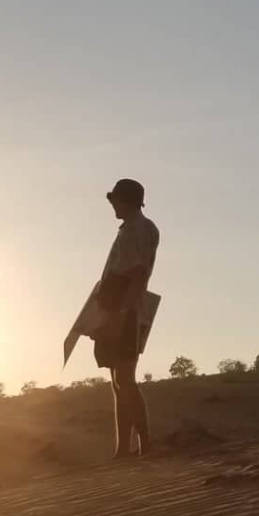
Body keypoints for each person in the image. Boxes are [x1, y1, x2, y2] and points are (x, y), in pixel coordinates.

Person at [93, 178, 160, 457]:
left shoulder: (140, 229)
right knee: (117, 380)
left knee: (125, 378)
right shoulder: (128, 229)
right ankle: (123, 448)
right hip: (114, 307)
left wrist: (123, 312)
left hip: (126, 308)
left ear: (127, 200)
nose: (112, 206)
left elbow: (137, 274)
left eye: (115, 201)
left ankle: (145, 445)